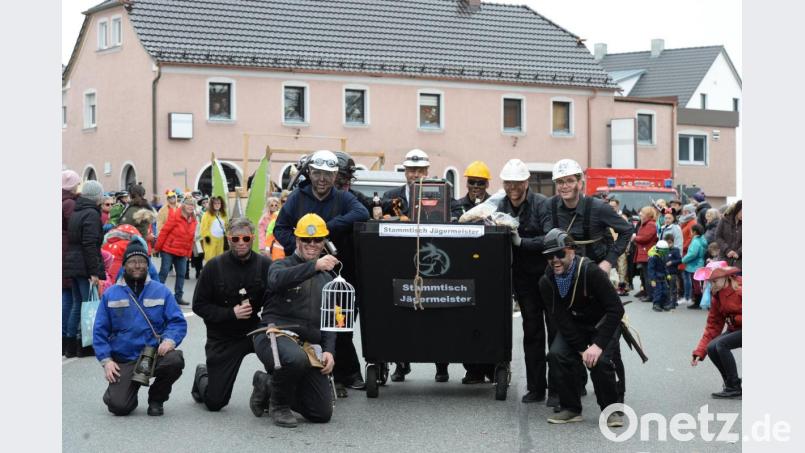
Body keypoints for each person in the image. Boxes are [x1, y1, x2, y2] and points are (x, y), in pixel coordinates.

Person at [540, 159, 633, 409]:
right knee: (562, 333)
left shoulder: (598, 208)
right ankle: (569, 392)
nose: (564, 186)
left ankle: (616, 397)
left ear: (580, 183)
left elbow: (626, 230)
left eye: (569, 181)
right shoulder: (549, 207)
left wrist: (609, 261)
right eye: (560, 182)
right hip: (565, 279)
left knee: (609, 341)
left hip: (594, 279)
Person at [250, 213, 337, 428]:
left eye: (317, 239)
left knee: (321, 413)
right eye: (306, 239)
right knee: (294, 358)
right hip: (274, 334)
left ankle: (268, 385)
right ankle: (279, 406)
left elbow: (330, 319)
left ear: (324, 242)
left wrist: (329, 351)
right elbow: (276, 280)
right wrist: (314, 266)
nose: (312, 244)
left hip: (307, 347)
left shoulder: (328, 278)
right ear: (297, 240)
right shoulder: (281, 265)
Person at [537, 229, 625, 427]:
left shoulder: (591, 272)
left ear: (571, 251)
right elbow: (560, 318)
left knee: (600, 361)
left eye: (559, 253)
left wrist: (597, 346)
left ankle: (611, 410)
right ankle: (571, 408)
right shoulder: (546, 281)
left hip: (603, 323)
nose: (555, 260)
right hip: (576, 326)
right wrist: (580, 349)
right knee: (556, 355)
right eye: (549, 256)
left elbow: (616, 309)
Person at [93, 241, 187, 416]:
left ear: (148, 264)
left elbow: (177, 322)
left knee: (174, 360)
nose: (137, 265)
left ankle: (156, 399)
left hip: (153, 355)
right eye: (132, 261)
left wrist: (169, 340)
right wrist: (106, 361)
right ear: (124, 265)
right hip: (124, 359)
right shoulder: (111, 294)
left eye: (142, 261)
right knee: (119, 407)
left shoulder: (162, 291)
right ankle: (119, 392)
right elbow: (100, 331)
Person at [190, 218, 272, 412]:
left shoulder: (265, 265)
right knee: (215, 402)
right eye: (235, 239)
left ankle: (269, 387)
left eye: (246, 238)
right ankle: (202, 375)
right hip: (222, 336)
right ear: (229, 239)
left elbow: (274, 300)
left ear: (252, 238)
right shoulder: (214, 266)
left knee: (280, 354)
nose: (241, 242)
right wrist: (230, 313)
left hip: (253, 330)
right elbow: (199, 305)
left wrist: (270, 322)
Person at [495, 159, 552, 402]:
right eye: (508, 183)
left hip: (547, 276)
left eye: (517, 183)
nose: (513, 188)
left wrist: (522, 242)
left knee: (557, 330)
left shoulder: (542, 204)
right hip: (523, 280)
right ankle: (536, 388)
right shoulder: (501, 205)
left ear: (526, 182)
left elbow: (550, 238)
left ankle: (560, 388)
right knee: (532, 332)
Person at [329, 151, 370, 396]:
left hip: (351, 272)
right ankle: (342, 374)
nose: (343, 181)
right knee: (333, 324)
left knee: (343, 323)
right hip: (325, 269)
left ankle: (347, 373)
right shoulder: (321, 200)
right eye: (340, 176)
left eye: (346, 177)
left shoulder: (356, 199)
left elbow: (370, 209)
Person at [64, 180, 107, 357]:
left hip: (73, 263)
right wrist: (94, 272)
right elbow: (89, 244)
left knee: (77, 304)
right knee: (87, 305)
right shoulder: (91, 214)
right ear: (96, 196)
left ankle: (70, 346)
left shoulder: (77, 211)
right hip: (84, 266)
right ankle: (84, 345)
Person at [691, 263, 742, 399]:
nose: (712, 285)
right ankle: (731, 384)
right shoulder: (717, 296)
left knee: (721, 344)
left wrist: (737, 318)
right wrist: (699, 352)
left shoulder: (741, 289)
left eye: (715, 281)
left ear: (726, 277)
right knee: (711, 347)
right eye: (710, 282)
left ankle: (734, 387)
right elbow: (713, 326)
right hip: (736, 329)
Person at [154, 196, 198, 305]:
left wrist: (188, 254)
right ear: (183, 205)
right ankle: (156, 295)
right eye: (188, 204)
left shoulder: (193, 220)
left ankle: (178, 297)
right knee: (164, 272)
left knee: (181, 274)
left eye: (193, 205)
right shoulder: (175, 216)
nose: (191, 207)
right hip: (168, 249)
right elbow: (164, 231)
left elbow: (191, 239)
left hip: (182, 251)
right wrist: (157, 248)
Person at [62, 170, 81, 357]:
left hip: (63, 252)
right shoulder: (69, 203)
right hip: (67, 252)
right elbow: (74, 227)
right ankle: (66, 339)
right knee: (69, 297)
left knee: (67, 296)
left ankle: (64, 339)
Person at [381, 148, 430, 218]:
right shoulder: (390, 196)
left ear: (426, 173)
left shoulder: (437, 196)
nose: (416, 175)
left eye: (420, 171)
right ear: (405, 172)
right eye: (412, 171)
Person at [118, 184, 157, 251]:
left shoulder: (132, 210)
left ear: (130, 195)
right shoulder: (145, 208)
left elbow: (122, 230)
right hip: (142, 246)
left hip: (132, 246)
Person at [633, 206, 658, 303]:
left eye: (642, 212)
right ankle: (649, 294)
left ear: (648, 214)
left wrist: (635, 238)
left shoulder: (650, 224)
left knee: (649, 276)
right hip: (645, 252)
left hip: (647, 253)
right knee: (646, 275)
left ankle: (651, 295)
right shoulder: (646, 224)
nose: (640, 214)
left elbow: (645, 238)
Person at [682, 224, 707, 308]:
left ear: (695, 232)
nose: (690, 233)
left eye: (691, 231)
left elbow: (692, 254)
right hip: (700, 263)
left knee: (695, 284)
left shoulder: (695, 241)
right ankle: (698, 301)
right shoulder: (702, 239)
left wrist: (683, 259)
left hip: (694, 264)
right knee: (698, 283)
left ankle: (697, 302)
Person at [200, 196, 228, 263]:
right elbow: (204, 227)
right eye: (215, 203)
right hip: (211, 240)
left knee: (220, 258)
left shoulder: (223, 214)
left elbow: (226, 225)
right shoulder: (207, 214)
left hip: (220, 239)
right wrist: (206, 236)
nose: (217, 205)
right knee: (210, 258)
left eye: (219, 203)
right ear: (212, 205)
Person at [715, 200, 742, 269]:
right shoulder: (724, 220)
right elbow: (718, 237)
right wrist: (727, 250)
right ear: (737, 209)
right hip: (724, 258)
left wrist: (739, 252)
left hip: (739, 261)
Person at [647, 240, 672, 312]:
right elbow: (651, 269)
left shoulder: (663, 256)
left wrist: (667, 274)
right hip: (656, 278)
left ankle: (664, 304)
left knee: (665, 291)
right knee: (658, 291)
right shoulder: (653, 257)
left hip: (663, 277)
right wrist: (652, 279)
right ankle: (656, 304)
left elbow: (664, 267)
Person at [663, 233, 682, 309]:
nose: (668, 244)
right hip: (666, 272)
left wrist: (672, 262)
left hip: (673, 272)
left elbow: (680, 260)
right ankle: (669, 301)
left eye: (670, 243)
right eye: (667, 243)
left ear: (673, 242)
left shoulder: (675, 250)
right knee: (667, 287)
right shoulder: (664, 250)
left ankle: (672, 303)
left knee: (672, 288)